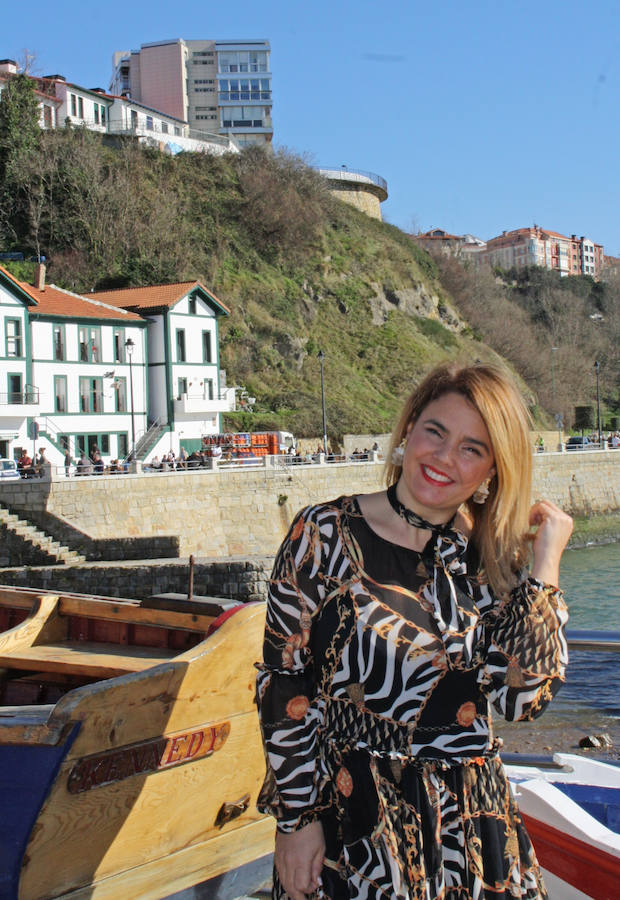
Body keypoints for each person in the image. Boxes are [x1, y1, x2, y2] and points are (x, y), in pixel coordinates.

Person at [256, 362, 573, 900]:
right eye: (436, 432)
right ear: (407, 432)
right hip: (353, 825)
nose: (446, 458)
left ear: (495, 469)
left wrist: (544, 569)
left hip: (470, 831)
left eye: (473, 448)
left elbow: (524, 701)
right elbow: (285, 686)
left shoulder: (496, 559)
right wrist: (296, 820)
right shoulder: (324, 534)